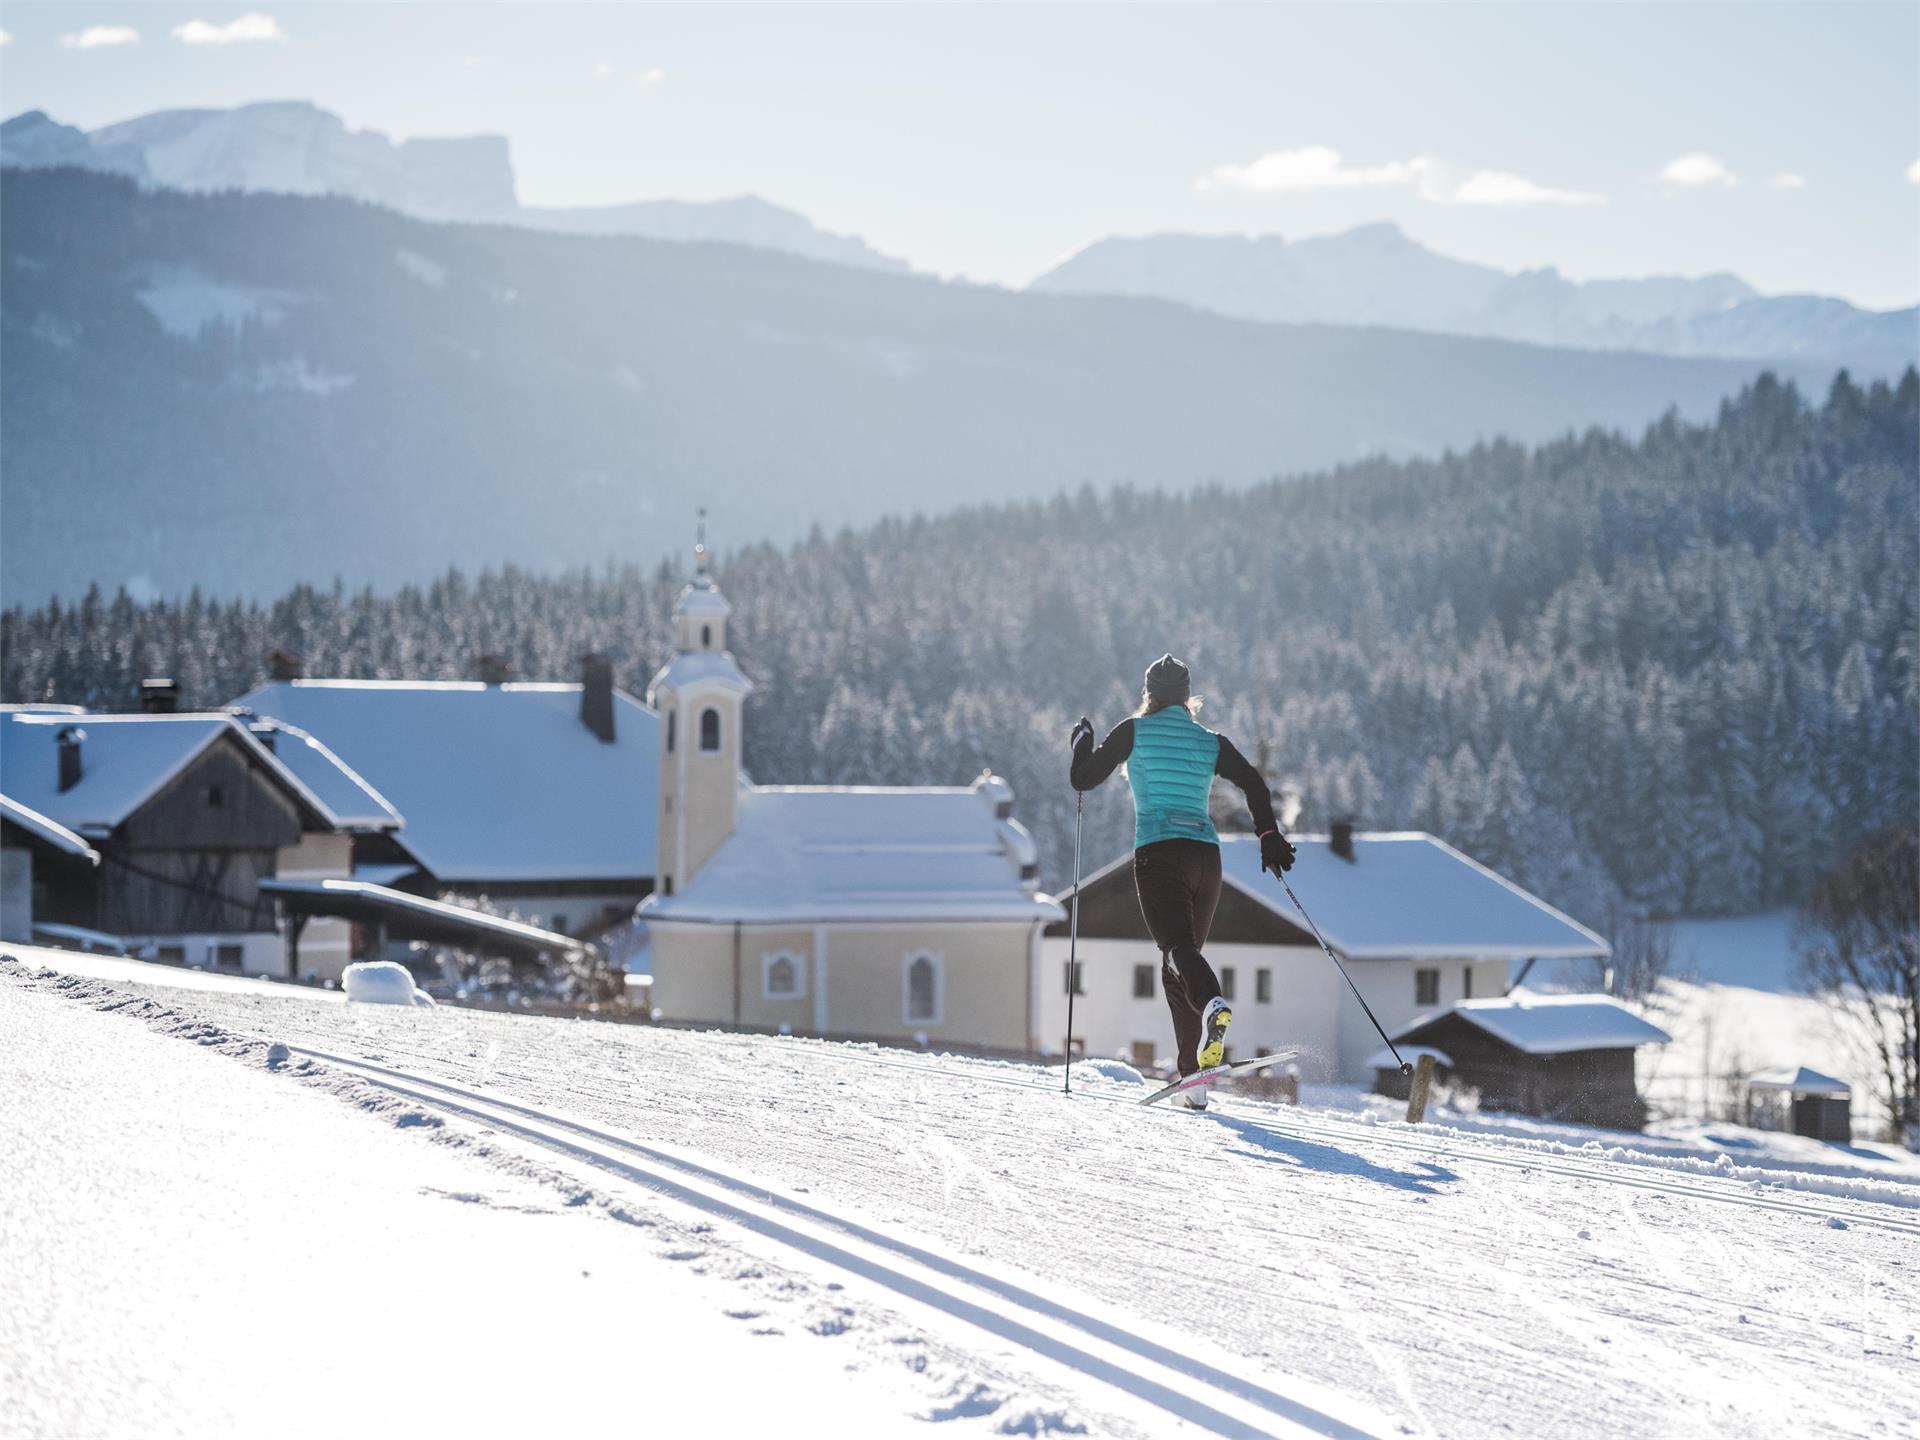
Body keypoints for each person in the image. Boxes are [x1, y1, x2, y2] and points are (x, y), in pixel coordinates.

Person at [1069, 654, 1295, 1109]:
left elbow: (1083, 778)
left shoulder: (1134, 730)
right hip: (1206, 859)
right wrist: (1268, 835)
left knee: (1177, 952)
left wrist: (1082, 741)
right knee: (1180, 959)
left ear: (1148, 694)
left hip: (1159, 853)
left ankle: (1213, 1005)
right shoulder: (1209, 740)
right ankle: (1193, 1080)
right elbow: (1254, 783)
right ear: (1188, 698)